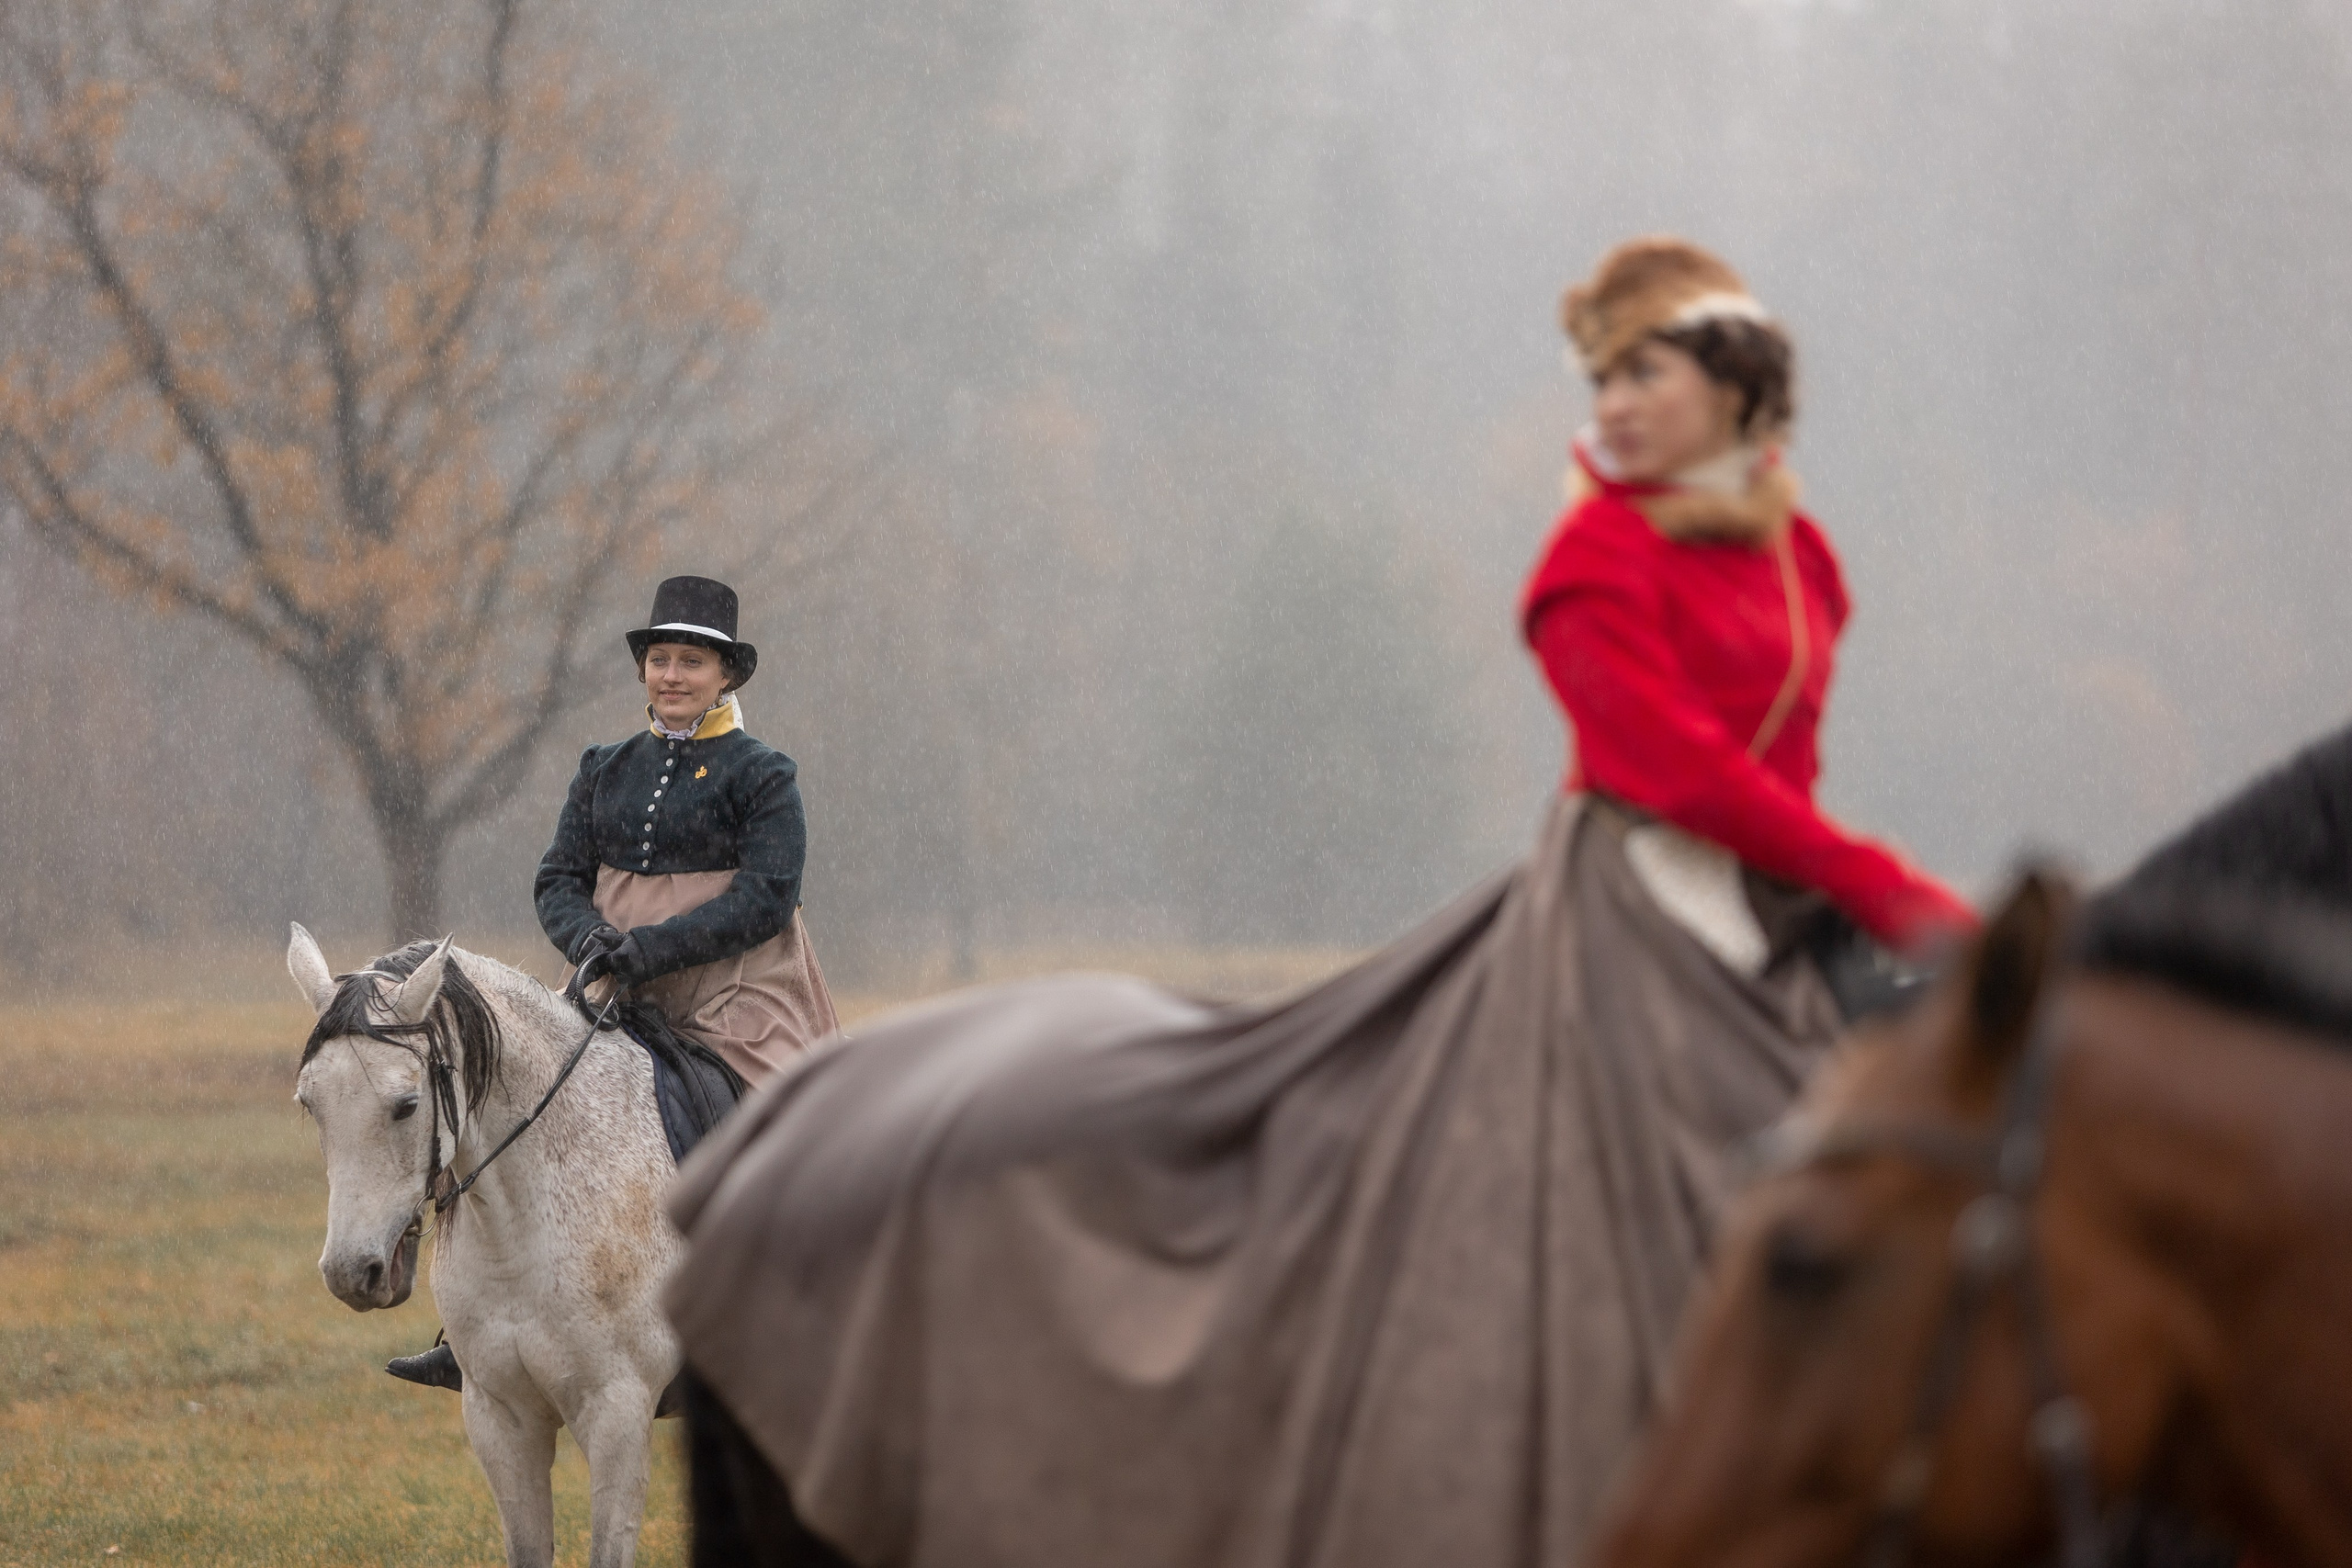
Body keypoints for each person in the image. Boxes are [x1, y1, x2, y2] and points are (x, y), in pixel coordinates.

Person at [659, 239, 1975, 1565]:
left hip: (1767, 927)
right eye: (1601, 375)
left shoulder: (1804, 556)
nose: (1614, 401)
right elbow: (1669, 768)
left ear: (1738, 381)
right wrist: (1889, 884)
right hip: (1622, 917)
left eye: (1648, 369)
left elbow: (1782, 762)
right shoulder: (1594, 555)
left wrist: (1852, 911)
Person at [387, 574, 839, 1393]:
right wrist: (591, 936)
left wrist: (657, 947)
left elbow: (767, 896)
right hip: (610, 986)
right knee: (498, 1114)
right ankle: (467, 1326)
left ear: (727, 673)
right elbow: (558, 876)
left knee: (762, 1124)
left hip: (737, 993)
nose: (671, 674)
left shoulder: (765, 774)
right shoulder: (603, 767)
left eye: (690, 661)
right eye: (659, 658)